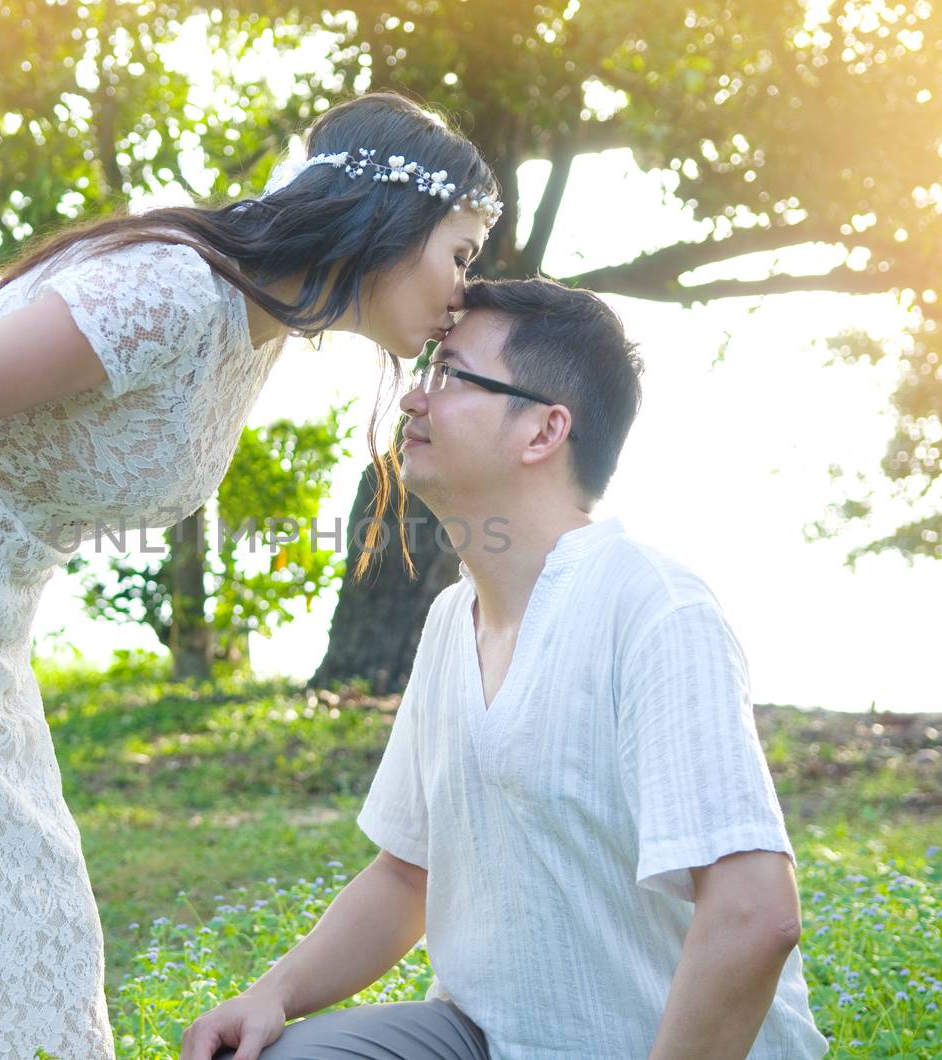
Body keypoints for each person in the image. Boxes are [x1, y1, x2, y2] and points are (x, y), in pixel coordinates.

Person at [0, 89, 502, 1060]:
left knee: (28, 930)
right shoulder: (175, 289)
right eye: (459, 255)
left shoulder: (251, 334)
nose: (463, 288)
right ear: (390, 220)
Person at [181, 278, 830, 1060]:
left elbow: (757, 913)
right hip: (482, 1039)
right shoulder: (451, 621)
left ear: (543, 432)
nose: (414, 400)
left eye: (451, 374)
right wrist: (269, 995)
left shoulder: (656, 609)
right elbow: (405, 877)